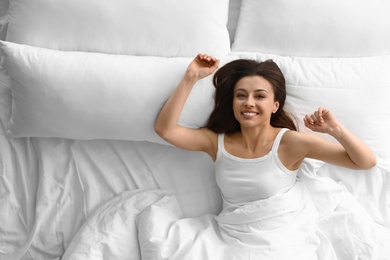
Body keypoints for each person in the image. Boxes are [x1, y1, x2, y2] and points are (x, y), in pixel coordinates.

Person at [154, 53, 377, 258]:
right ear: (232, 104)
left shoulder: (291, 143)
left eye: (259, 96)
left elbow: (366, 162)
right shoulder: (216, 142)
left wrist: (335, 130)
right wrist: (191, 77)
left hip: (282, 239)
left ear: (275, 105)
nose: (249, 102)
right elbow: (166, 130)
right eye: (241, 95)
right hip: (232, 238)